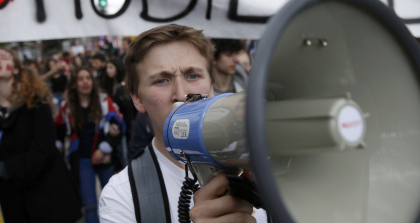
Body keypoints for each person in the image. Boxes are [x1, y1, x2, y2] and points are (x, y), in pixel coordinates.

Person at [99, 24, 267, 222]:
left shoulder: (264, 166)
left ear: (211, 87)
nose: (181, 94)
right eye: (161, 80)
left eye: (193, 76)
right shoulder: (122, 196)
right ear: (137, 98)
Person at [0, 48, 82, 223]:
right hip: (14, 206)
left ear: (16, 69)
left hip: (48, 200)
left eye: (3, 57)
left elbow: (42, 151)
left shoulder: (36, 102)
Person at [55, 66, 125, 223]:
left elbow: (119, 125)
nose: (85, 82)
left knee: (110, 202)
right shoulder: (66, 106)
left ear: (93, 82)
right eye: (80, 79)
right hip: (82, 160)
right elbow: (59, 129)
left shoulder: (104, 102)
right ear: (74, 83)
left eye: (88, 78)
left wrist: (103, 148)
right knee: (90, 205)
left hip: (105, 157)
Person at [100, 58, 137, 170]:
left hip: (124, 125)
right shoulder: (107, 85)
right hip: (112, 124)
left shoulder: (123, 86)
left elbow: (127, 109)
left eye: (111, 67)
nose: (108, 70)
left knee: (125, 153)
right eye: (107, 67)